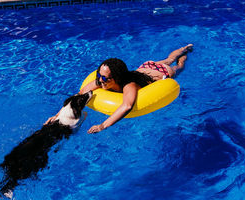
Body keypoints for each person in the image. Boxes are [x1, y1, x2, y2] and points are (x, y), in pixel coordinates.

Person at [45, 44, 193, 134]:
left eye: (105, 78)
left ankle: (183, 54)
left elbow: (127, 105)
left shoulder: (129, 85)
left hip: (162, 72)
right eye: (99, 76)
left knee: (175, 65)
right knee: (167, 58)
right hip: (145, 67)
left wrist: (103, 125)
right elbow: (79, 94)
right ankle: (182, 50)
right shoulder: (102, 81)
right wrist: (57, 116)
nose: (100, 81)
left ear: (117, 78)